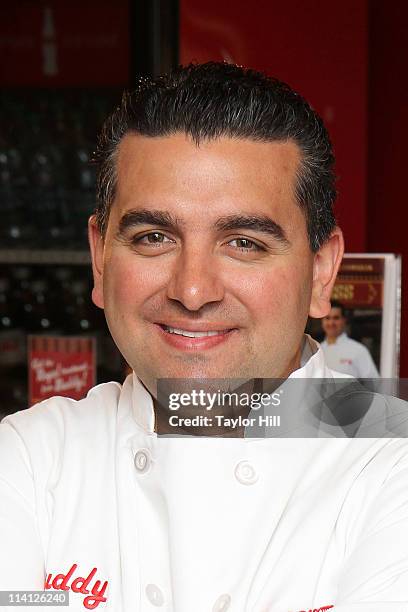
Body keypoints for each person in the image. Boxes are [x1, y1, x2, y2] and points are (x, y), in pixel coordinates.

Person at [0, 62, 407, 612]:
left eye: (244, 243)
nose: (192, 291)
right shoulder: (27, 458)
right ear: (99, 260)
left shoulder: (391, 455)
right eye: (152, 237)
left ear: (321, 273)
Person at [320, 300, 380, 377]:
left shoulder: (358, 350)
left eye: (336, 318)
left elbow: (375, 384)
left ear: (344, 320)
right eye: (327, 318)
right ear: (322, 321)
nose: (331, 323)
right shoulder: (316, 351)